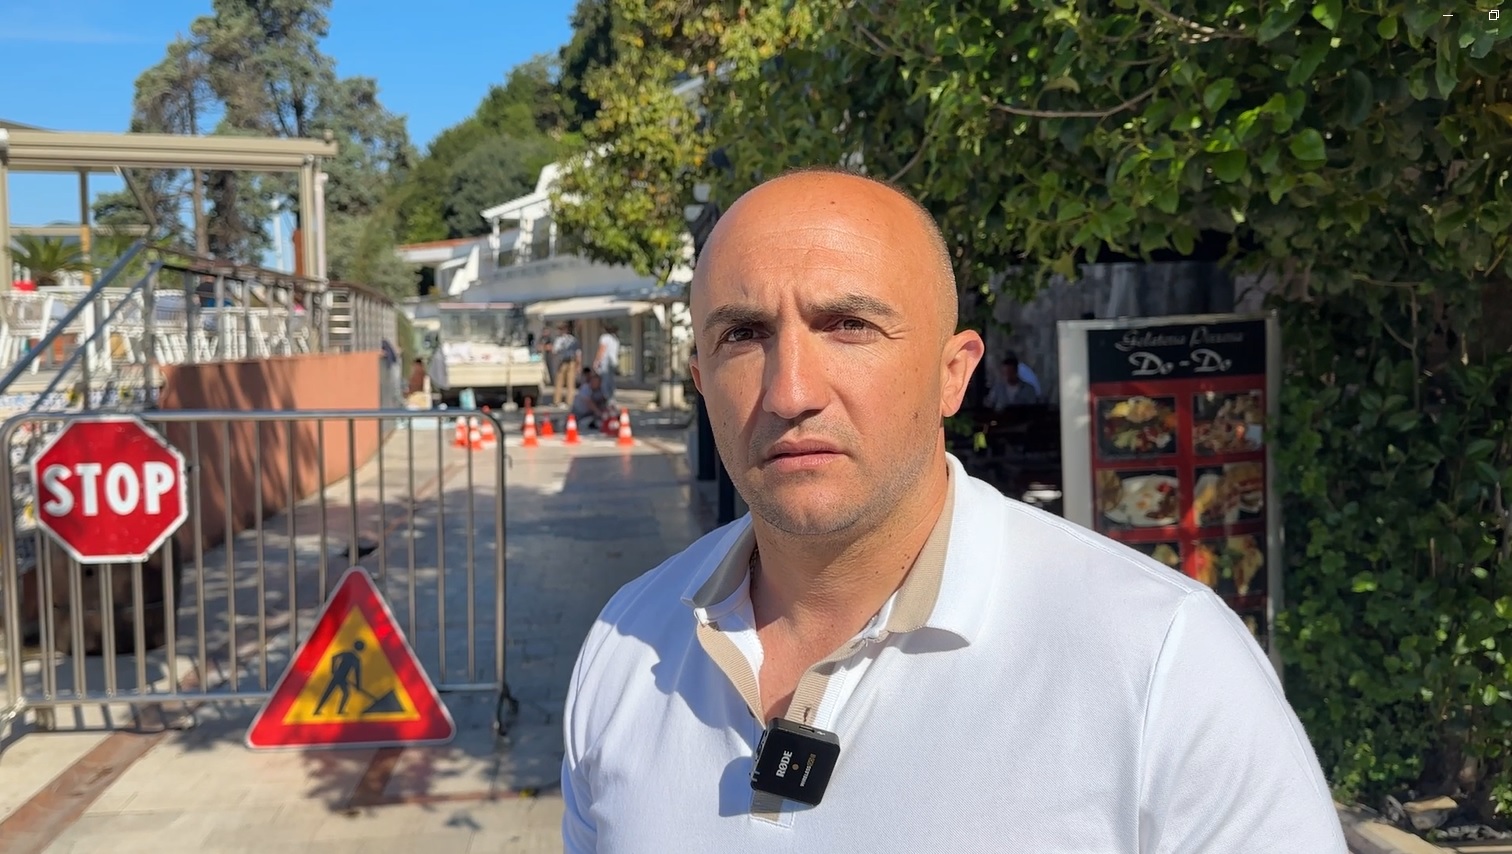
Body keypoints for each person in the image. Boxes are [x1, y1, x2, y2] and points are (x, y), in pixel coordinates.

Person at [560, 168, 1347, 852]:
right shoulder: (625, 643)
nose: (791, 391)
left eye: (849, 326)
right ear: (702, 380)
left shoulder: (1163, 662)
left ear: (953, 373)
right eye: (743, 334)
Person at [553, 321, 583, 407]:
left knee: (569, 382)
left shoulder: (571, 340)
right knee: (560, 381)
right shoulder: (561, 339)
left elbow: (577, 352)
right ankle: (558, 401)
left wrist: (578, 364)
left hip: (570, 361)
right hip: (564, 361)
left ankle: (568, 401)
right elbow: (555, 351)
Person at [593, 322, 621, 403]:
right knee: (611, 380)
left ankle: (605, 397)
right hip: (614, 361)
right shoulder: (615, 339)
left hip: (605, 361)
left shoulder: (604, 337)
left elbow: (602, 349)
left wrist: (597, 360)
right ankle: (611, 397)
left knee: (604, 381)